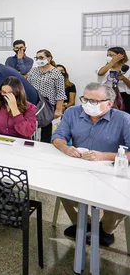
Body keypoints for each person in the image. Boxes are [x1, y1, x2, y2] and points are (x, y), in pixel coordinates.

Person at [52, 83, 130, 246]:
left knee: (122, 198)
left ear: (109, 103)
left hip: (111, 170)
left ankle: (106, 229)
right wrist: (65, 148)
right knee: (60, 186)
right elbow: (58, 136)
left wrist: (105, 156)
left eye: (94, 101)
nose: (88, 104)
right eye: (85, 99)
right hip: (80, 168)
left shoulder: (123, 119)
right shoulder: (73, 113)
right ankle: (84, 223)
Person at [27, 49, 66, 143]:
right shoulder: (33, 71)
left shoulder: (56, 72)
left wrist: (58, 109)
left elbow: (60, 92)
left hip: (48, 106)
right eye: (37, 58)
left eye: (41, 58)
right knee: (31, 127)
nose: (38, 60)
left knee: (46, 130)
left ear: (49, 58)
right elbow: (28, 86)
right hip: (34, 103)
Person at [97, 46, 130, 113]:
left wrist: (123, 78)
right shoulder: (105, 68)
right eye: (107, 55)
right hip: (108, 96)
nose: (108, 57)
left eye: (111, 55)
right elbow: (100, 73)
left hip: (125, 97)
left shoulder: (127, 68)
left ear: (121, 55)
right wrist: (113, 61)